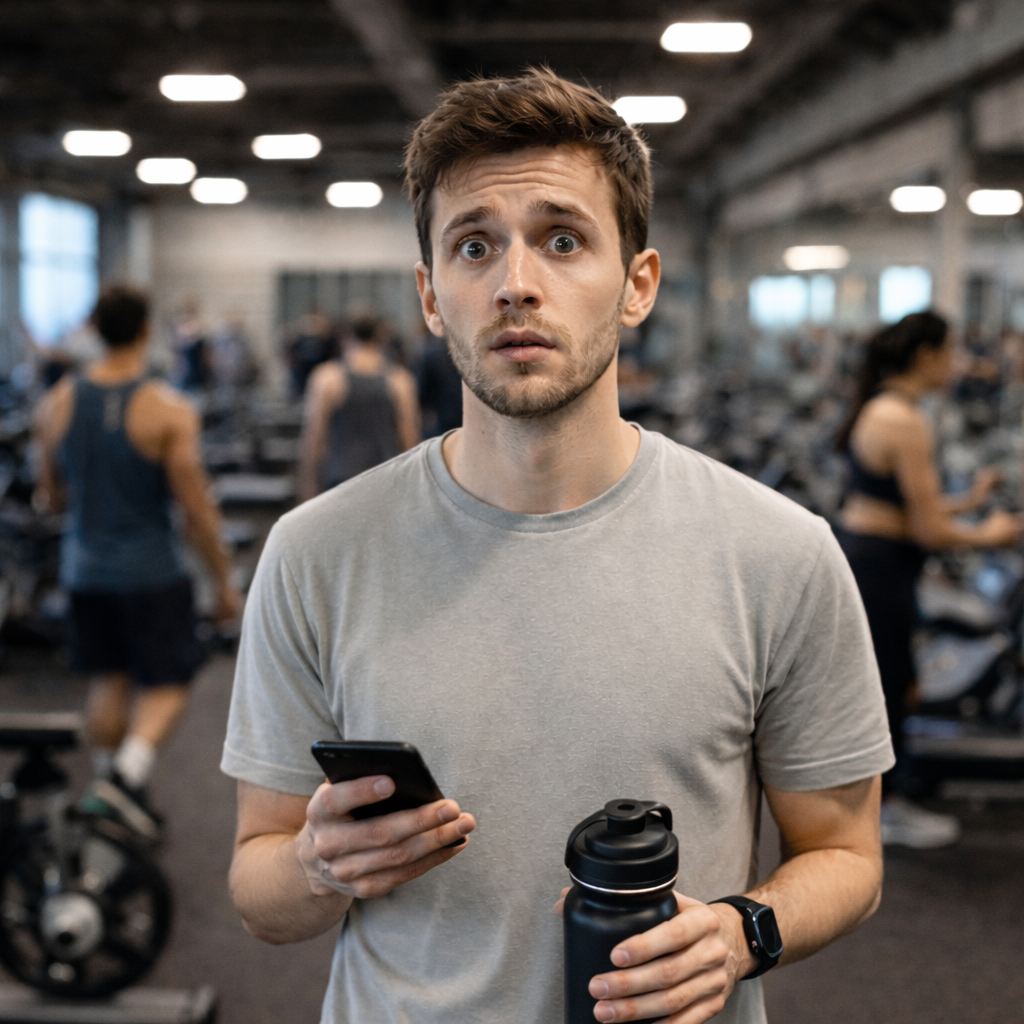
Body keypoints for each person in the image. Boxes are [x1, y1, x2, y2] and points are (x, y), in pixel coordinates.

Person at [223, 71, 893, 1024]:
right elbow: (259, 890)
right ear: (429, 295)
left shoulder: (778, 553)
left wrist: (745, 933)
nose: (515, 284)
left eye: (564, 240)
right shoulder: (315, 553)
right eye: (473, 246)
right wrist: (316, 865)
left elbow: (848, 856)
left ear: (637, 284)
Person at [33, 284, 240, 840]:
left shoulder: (56, 405)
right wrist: (223, 584)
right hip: (152, 573)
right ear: (147, 330)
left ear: (96, 331)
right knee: (172, 678)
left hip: (84, 572)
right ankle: (125, 778)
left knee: (109, 680)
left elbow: (50, 499)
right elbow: (196, 511)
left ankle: (108, 788)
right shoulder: (167, 409)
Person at [834, 310, 1020, 849]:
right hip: (881, 565)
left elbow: (899, 503)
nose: (958, 362)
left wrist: (972, 501)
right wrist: (994, 532)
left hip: (877, 556)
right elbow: (931, 531)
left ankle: (889, 797)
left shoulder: (885, 408)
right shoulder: (904, 421)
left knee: (901, 684)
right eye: (951, 351)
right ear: (926, 356)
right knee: (889, 690)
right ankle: (883, 810)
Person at [297, 312, 419, 501]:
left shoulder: (326, 379)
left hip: (340, 480)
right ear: (381, 335)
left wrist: (308, 488)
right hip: (385, 482)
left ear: (344, 335)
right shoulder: (400, 380)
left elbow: (314, 438)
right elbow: (410, 440)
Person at [284, 311, 339, 398]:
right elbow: (292, 351)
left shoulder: (325, 338)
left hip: (319, 367)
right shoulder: (301, 337)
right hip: (304, 369)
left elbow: (332, 353)